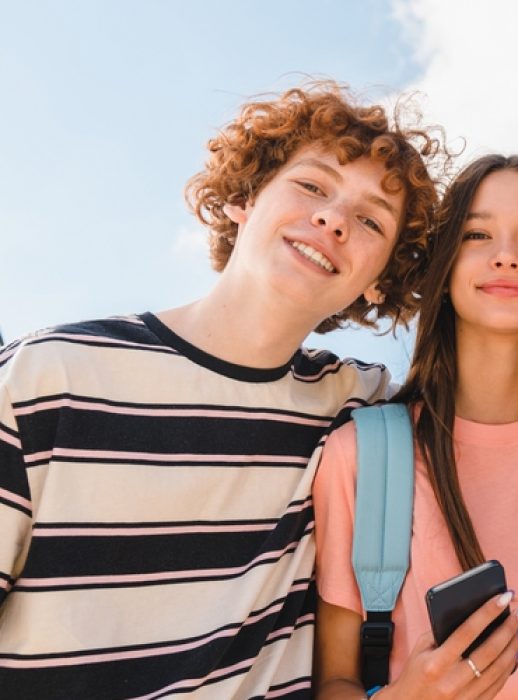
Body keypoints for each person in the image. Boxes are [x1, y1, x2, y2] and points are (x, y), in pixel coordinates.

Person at [0, 82, 443, 698]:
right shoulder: (47, 376)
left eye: (370, 220)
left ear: (380, 282)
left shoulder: (357, 412)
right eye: (312, 186)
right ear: (243, 198)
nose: (332, 220)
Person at [312, 155, 518, 699]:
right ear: (443, 271)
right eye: (477, 234)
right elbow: (335, 680)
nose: (506, 257)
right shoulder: (365, 454)